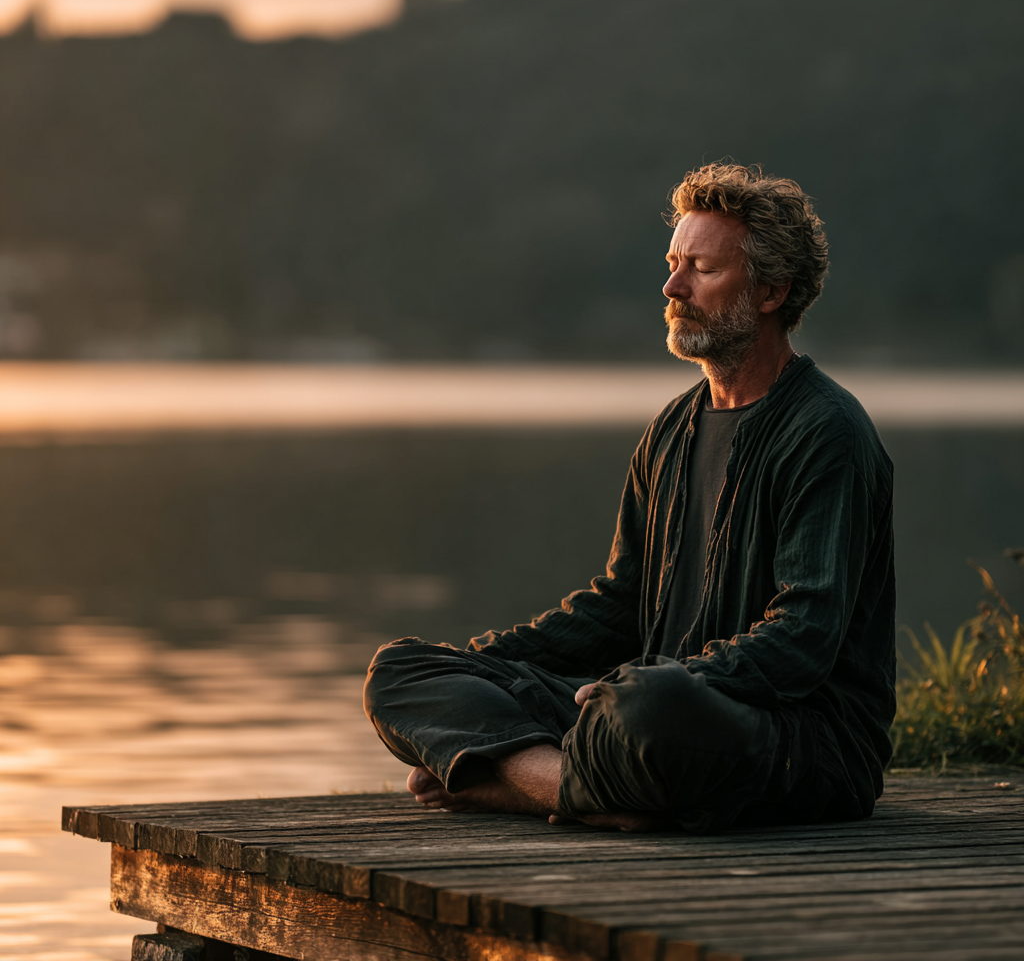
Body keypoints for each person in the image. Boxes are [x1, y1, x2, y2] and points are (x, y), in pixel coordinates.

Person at [363, 162, 896, 832]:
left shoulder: (827, 432)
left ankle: (507, 782)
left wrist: (652, 688)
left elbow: (803, 640)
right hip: (638, 711)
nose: (673, 286)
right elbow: (618, 604)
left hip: (793, 741)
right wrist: (485, 664)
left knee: (649, 705)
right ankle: (598, 791)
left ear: (771, 291)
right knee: (402, 672)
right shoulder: (672, 429)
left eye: (702, 269)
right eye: (674, 264)